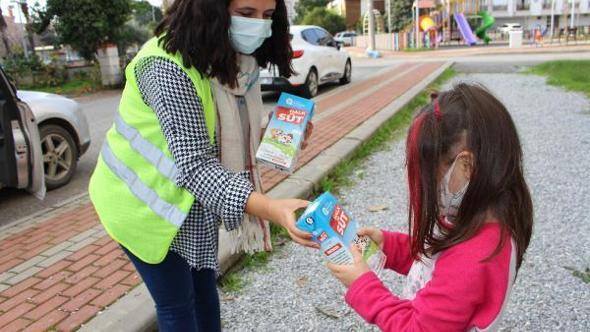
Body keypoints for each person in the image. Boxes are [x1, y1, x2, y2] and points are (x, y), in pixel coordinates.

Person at [88, 0, 315, 331]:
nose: (259, 26)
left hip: (193, 206)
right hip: (143, 208)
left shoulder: (228, 59)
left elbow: (221, 133)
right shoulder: (166, 66)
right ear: (212, 9)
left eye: (267, 16)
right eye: (247, 13)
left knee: (205, 292)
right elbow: (196, 166)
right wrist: (272, 208)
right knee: (178, 306)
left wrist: (274, 135)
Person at [327, 83, 534, 331]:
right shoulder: (472, 216)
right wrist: (388, 246)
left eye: (427, 176)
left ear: (466, 166)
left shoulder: (474, 257)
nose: (424, 188)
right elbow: (436, 261)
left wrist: (363, 285)